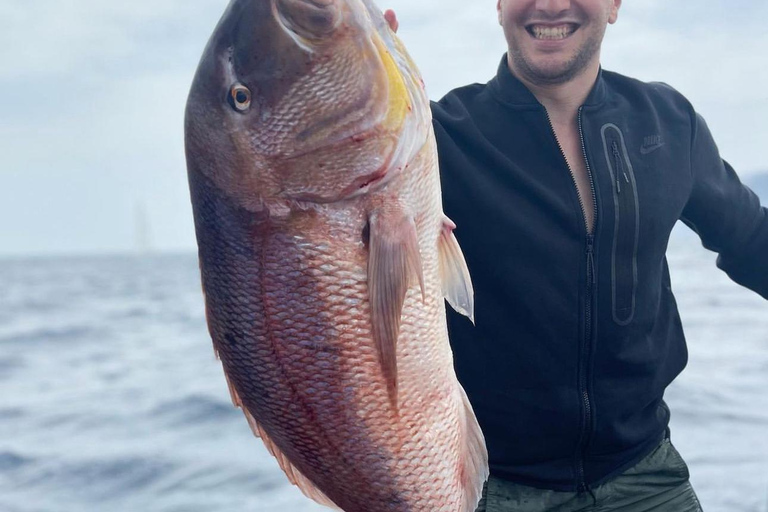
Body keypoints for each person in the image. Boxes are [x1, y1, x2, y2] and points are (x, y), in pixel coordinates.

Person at [386, 1, 768, 511]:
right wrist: (351, 70)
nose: (549, 5)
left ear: (613, 6)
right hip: (488, 487)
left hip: (646, 477)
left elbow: (750, 239)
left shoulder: (668, 123)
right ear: (498, 5)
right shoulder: (435, 142)